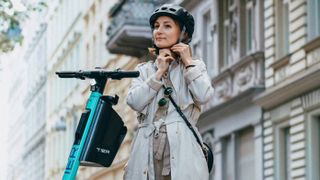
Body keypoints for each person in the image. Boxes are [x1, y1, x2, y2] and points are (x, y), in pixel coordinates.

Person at [124, 4, 214, 180]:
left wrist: (188, 62)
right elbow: (134, 102)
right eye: (156, 26)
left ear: (184, 33)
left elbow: (204, 95)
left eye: (167, 25)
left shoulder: (194, 67)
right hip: (146, 148)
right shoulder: (144, 70)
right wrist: (158, 73)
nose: (159, 31)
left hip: (182, 150)